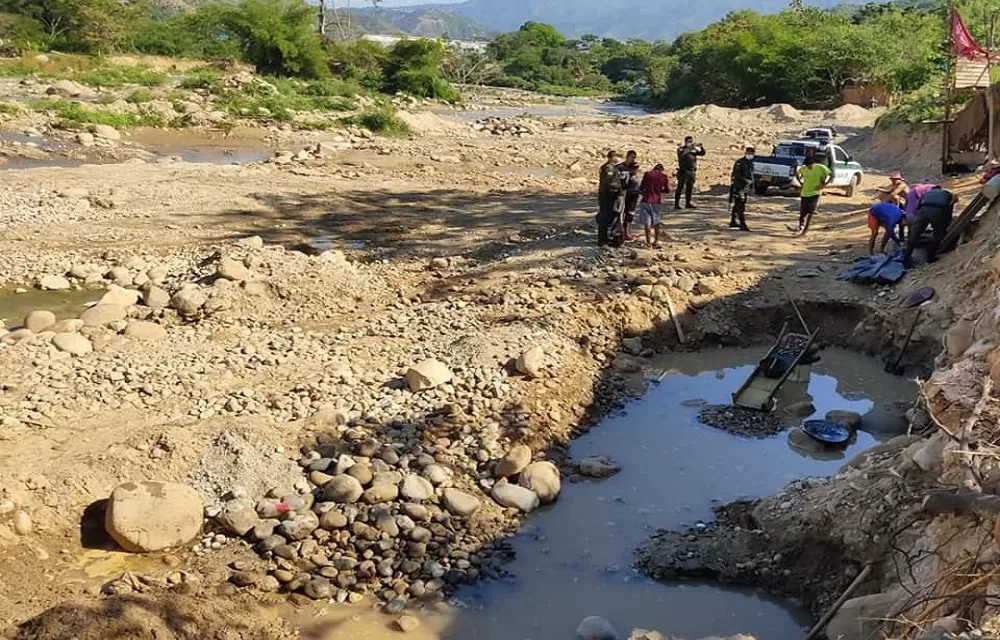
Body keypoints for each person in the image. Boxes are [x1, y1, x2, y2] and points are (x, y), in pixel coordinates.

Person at [904, 186, 956, 265]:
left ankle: (906, 257)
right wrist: (945, 225)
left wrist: (919, 218)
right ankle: (931, 257)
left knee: (915, 234)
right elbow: (949, 211)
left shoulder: (927, 193)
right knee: (938, 234)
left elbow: (918, 206)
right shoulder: (949, 195)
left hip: (923, 210)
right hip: (937, 211)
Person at [791, 152, 832, 235]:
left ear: (814, 163)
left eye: (810, 166)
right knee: (803, 212)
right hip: (805, 193)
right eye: (807, 166)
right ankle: (801, 226)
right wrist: (800, 182)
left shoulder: (821, 167)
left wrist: (823, 185)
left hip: (815, 192)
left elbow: (832, 175)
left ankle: (806, 229)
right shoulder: (804, 168)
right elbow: (797, 174)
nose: (808, 167)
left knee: (811, 211)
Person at [639, 163, 670, 247]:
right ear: (661, 170)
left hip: (646, 199)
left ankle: (648, 242)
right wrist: (659, 191)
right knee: (656, 222)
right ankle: (656, 240)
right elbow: (667, 190)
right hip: (656, 201)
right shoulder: (663, 176)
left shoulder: (647, 174)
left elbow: (641, 187)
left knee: (647, 222)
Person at [597, 150, 624, 246]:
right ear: (612, 157)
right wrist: (617, 189)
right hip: (608, 196)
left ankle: (605, 237)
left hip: (607, 195)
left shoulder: (612, 167)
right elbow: (609, 182)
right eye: (615, 157)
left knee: (609, 216)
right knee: (605, 217)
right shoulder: (609, 168)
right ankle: (602, 239)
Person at [675, 136, 705, 209]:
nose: (690, 143)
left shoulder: (693, 151)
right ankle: (676, 204)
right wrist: (690, 148)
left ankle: (688, 203)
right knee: (680, 188)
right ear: (685, 142)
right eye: (688, 141)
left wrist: (701, 147)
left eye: (691, 141)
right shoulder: (681, 149)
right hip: (683, 172)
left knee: (690, 188)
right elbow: (682, 154)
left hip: (692, 172)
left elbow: (702, 153)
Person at [728, 146, 755, 231]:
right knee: (740, 206)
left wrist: (752, 186)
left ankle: (733, 221)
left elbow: (751, 175)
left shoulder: (750, 163)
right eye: (748, 153)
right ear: (745, 153)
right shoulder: (740, 162)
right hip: (739, 187)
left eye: (752, 153)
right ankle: (743, 225)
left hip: (745, 188)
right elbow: (737, 175)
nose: (750, 155)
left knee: (738, 205)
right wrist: (746, 181)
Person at [619, 150, 641, 242]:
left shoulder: (633, 167)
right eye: (632, 157)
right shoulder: (620, 167)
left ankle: (627, 231)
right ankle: (622, 233)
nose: (633, 159)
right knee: (621, 214)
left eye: (634, 157)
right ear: (627, 156)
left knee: (630, 214)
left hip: (633, 194)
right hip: (624, 194)